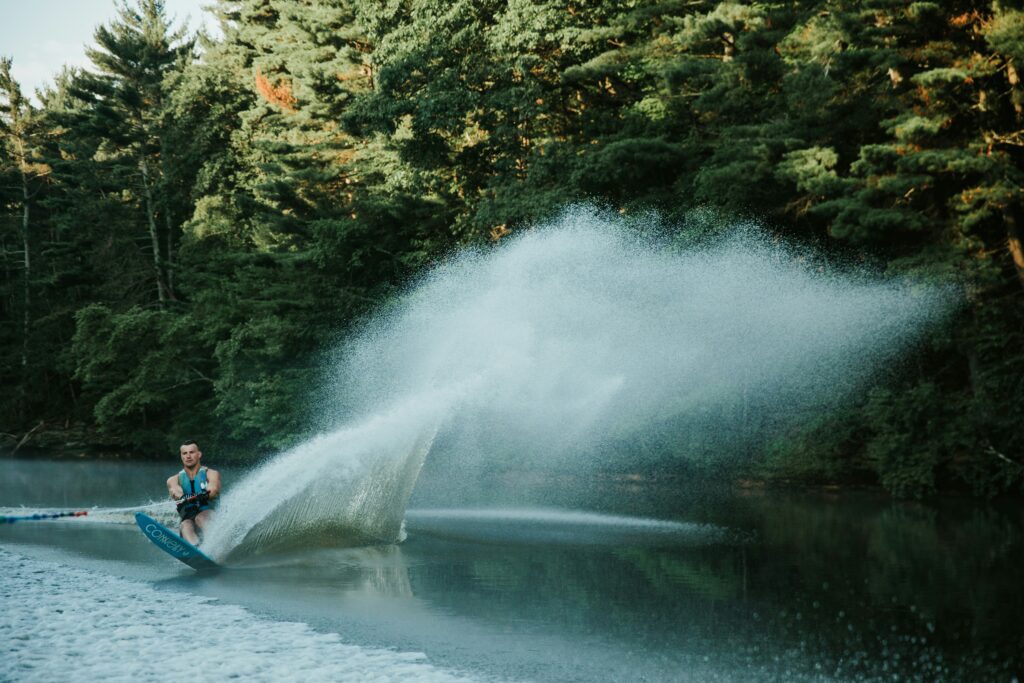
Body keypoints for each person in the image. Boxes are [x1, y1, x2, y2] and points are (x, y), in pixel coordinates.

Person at [166, 440, 221, 546]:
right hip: (189, 523)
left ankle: (215, 545)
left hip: (209, 517)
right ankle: (196, 550)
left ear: (199, 454)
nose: (188, 456)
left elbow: (213, 490)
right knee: (185, 524)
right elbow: (175, 491)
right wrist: (182, 496)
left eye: (191, 452)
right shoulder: (173, 479)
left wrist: (203, 495)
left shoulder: (211, 474)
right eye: (184, 453)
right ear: (181, 456)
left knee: (201, 517)